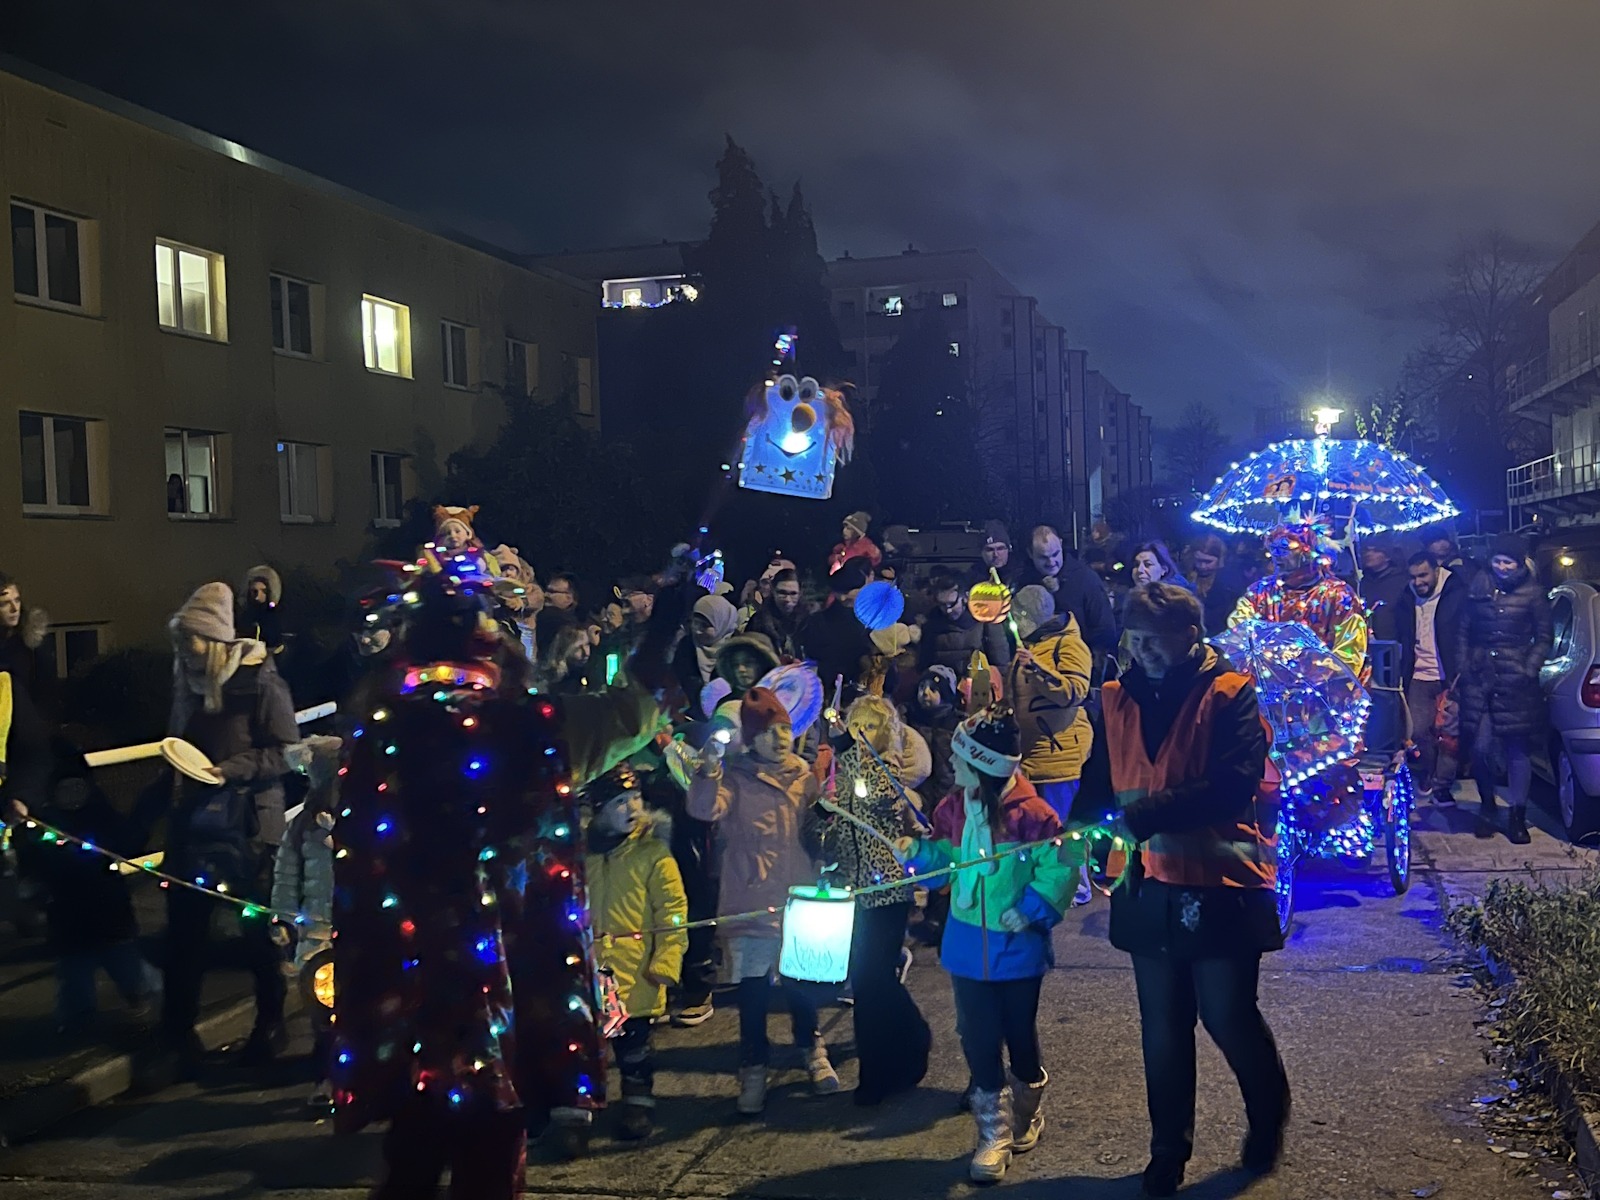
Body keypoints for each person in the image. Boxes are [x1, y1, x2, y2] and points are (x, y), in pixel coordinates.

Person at [1082, 583, 1288, 1197]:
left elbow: (1232, 785)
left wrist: (1146, 815)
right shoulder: (1116, 695)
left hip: (1220, 884)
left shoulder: (1229, 693)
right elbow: (1101, 775)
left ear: (1190, 636)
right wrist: (1085, 830)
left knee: (1228, 1017)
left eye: (1154, 639)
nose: (1141, 650)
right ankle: (1167, 1153)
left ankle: (1266, 1121)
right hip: (1147, 884)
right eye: (1134, 638)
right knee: (1164, 1028)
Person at [897, 707, 1077, 1182]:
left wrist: (1033, 908)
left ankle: (1027, 1111)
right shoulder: (952, 810)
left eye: (961, 759)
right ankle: (992, 1133)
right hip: (966, 947)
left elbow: (1062, 866)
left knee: (1019, 1035)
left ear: (983, 766)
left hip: (1017, 950)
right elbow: (943, 866)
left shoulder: (1035, 816)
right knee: (977, 1038)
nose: (952, 765)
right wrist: (919, 855)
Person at [161, 582, 298, 1067]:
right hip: (195, 823)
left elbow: (286, 751)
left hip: (249, 824)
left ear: (216, 638)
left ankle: (270, 1026)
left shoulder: (260, 681)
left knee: (257, 932)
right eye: (179, 639)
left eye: (191, 639)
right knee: (184, 935)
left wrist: (229, 770)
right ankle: (176, 1035)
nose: (183, 648)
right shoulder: (188, 681)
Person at [687, 687, 839, 1115]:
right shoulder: (735, 779)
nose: (780, 739)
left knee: (801, 983)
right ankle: (753, 1066)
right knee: (752, 995)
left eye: (785, 729)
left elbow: (820, 824)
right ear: (752, 739)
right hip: (750, 898)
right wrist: (709, 769)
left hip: (798, 899)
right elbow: (703, 809)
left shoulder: (803, 777)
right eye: (770, 732)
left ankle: (812, 1049)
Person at [813, 695, 932, 1105]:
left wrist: (849, 751)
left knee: (872, 981)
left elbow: (878, 795)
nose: (860, 734)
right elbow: (840, 820)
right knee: (869, 983)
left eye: (869, 727)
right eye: (856, 725)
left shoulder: (886, 769)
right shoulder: (848, 771)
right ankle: (889, 1064)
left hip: (886, 891)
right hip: (857, 892)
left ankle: (889, 1065)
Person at [11, 739, 162, 1035]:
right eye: (64, 789)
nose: (71, 795)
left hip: (109, 913)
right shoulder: (43, 826)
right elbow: (30, 861)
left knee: (127, 967)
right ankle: (77, 1018)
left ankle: (143, 996)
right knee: (74, 975)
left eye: (77, 788)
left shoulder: (101, 816)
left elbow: (127, 839)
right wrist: (33, 887)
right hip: (67, 916)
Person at [585, 764, 688, 1141]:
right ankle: (577, 1113)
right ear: (598, 808)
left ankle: (637, 1103)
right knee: (584, 1047)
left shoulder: (652, 853)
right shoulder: (582, 856)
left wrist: (667, 959)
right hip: (589, 969)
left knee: (634, 1047)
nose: (632, 808)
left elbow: (672, 910)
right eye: (619, 801)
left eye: (636, 798)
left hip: (634, 970)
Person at [1456, 534, 1554, 844]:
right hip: (1481, 677)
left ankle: (1517, 815)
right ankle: (1487, 804)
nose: (1502, 567)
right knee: (1480, 747)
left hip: (1516, 680)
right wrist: (1464, 666)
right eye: (1498, 561)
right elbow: (1463, 632)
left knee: (1517, 750)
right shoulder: (1478, 587)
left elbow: (1544, 636)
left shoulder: (1533, 594)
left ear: (1520, 563)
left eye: (1508, 562)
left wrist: (1529, 667)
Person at [1007, 585, 1094, 906]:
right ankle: (1049, 885)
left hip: (1060, 753)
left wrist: (1036, 669)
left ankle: (1076, 887)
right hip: (1034, 753)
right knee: (1040, 826)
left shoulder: (1068, 644)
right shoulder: (1033, 646)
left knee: (1064, 827)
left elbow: (1074, 690)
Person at [271, 733, 341, 1107]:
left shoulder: (365, 818)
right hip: (317, 929)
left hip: (359, 926)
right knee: (323, 1009)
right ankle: (327, 1076)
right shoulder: (303, 825)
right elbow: (286, 873)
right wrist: (282, 918)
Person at [1230, 523, 1367, 681]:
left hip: (1321, 690)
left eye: (1284, 548)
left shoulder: (1340, 596)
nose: (1276, 555)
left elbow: (1348, 658)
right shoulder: (1259, 592)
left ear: (1307, 551)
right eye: (1273, 548)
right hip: (1267, 685)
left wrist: (1307, 671)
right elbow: (1238, 635)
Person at [1394, 552, 1468, 806]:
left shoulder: (1456, 593)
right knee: (1417, 731)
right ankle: (1430, 773)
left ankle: (1442, 786)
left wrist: (1462, 669)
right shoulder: (1406, 597)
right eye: (1414, 576)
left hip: (1450, 676)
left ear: (1437, 570)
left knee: (1449, 735)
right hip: (1419, 675)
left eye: (1423, 575)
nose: (1418, 582)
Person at [1017, 525, 1117, 672]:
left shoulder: (1086, 579)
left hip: (1078, 667)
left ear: (1061, 544)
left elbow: (1105, 630)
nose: (1051, 562)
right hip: (1034, 667)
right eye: (1043, 557)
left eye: (1055, 554)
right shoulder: (1023, 582)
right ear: (1030, 553)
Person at [800, 560, 878, 705]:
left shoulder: (872, 620)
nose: (843, 598)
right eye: (840, 592)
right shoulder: (817, 621)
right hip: (828, 691)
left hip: (864, 691)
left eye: (848, 592)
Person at [918, 572, 1012, 674]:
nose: (948, 610)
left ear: (966, 598)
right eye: (942, 605)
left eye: (952, 604)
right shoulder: (931, 625)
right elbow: (924, 666)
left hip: (979, 681)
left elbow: (1000, 664)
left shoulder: (986, 621)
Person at [672, 594, 739, 721]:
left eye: (705, 625)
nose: (697, 631)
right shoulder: (686, 646)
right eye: (695, 623)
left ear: (721, 623)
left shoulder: (736, 651)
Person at [1188, 536, 1245, 635]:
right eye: (1199, 560)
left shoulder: (1229, 588)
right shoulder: (1183, 578)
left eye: (1208, 562)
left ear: (1220, 560)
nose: (1202, 566)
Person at [746, 568, 806, 660]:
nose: (787, 599)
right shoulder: (759, 621)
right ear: (773, 591)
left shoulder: (809, 621)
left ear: (800, 593)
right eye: (782, 593)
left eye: (793, 594)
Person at [1357, 539, 1409, 644]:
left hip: (1395, 642)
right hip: (1367, 641)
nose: (1369, 554)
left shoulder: (1402, 581)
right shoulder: (1363, 582)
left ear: (1387, 556)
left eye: (1376, 551)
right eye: (1367, 550)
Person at [240, 566, 286, 658]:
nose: (257, 597)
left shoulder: (276, 618)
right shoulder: (243, 617)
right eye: (254, 591)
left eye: (263, 591)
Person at [969, 520, 1026, 590]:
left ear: (1008, 550)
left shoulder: (1022, 575)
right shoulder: (972, 577)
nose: (995, 554)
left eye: (1000, 549)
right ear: (982, 553)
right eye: (990, 550)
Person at [828, 511, 882, 575]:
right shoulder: (841, 544)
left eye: (849, 529)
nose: (845, 530)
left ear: (857, 532)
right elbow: (831, 560)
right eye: (845, 527)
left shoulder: (867, 547)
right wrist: (836, 558)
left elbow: (875, 563)